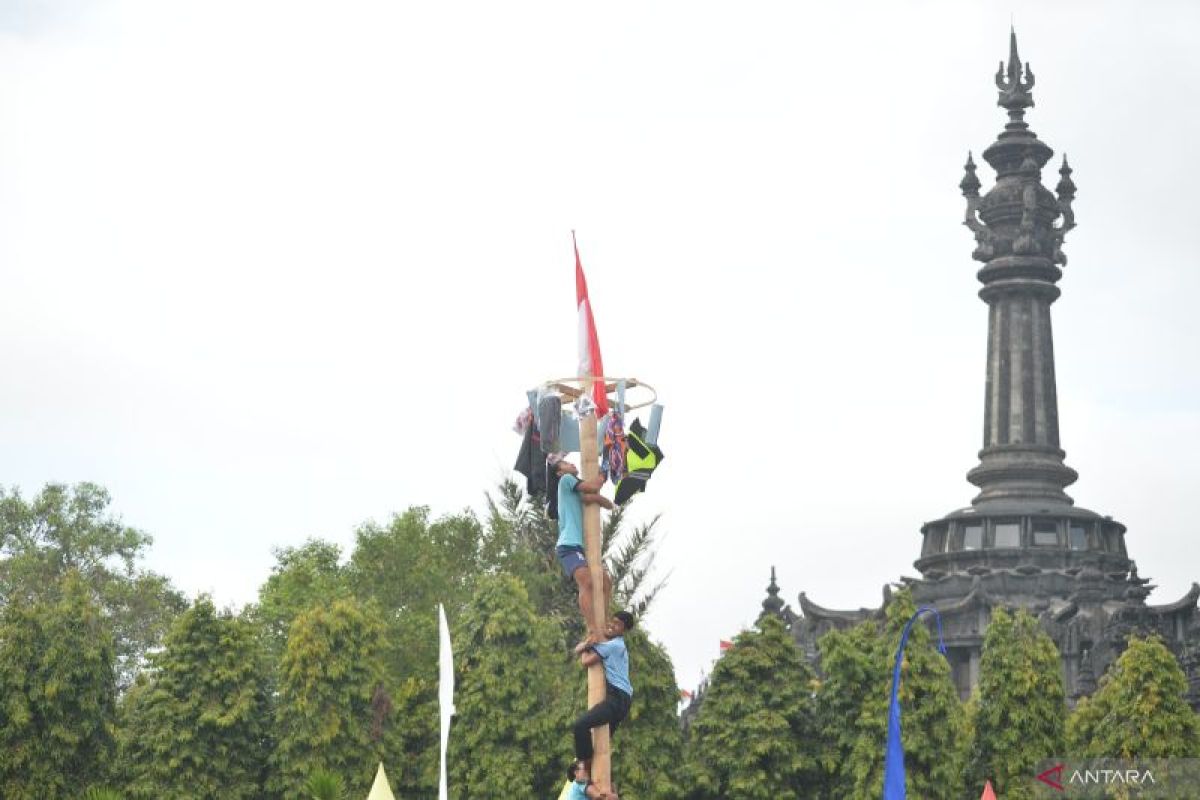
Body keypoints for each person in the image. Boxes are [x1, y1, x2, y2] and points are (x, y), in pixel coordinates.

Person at [552, 458, 614, 640]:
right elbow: (592, 488)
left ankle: (605, 621)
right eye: (565, 463)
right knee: (587, 582)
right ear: (559, 472)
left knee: (605, 582)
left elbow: (599, 501)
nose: (571, 464)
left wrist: (600, 499)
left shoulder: (575, 490)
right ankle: (592, 629)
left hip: (581, 547)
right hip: (568, 544)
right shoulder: (566, 480)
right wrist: (603, 473)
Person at [572, 611, 635, 769]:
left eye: (618, 624)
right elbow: (604, 634)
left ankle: (584, 764)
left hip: (616, 699)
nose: (613, 625)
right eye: (612, 621)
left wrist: (587, 644)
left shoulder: (612, 646)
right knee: (602, 744)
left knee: (580, 725)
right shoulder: (618, 644)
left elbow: (585, 660)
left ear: (624, 630)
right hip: (625, 700)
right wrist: (597, 636)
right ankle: (595, 772)